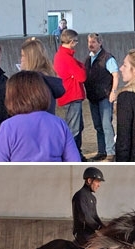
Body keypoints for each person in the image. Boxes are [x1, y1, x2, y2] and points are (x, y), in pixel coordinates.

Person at [0, 70, 80, 162]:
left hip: (18, 175)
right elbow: (73, 162)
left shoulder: (8, 127)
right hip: (54, 175)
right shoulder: (59, 124)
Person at [53, 29, 87, 161]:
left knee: (77, 126)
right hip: (72, 95)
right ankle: (72, 155)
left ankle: (76, 153)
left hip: (69, 96)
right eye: (76, 41)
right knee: (74, 129)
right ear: (72, 42)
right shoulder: (66, 57)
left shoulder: (61, 55)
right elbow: (82, 76)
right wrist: (81, 68)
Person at [84, 33, 118, 162]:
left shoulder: (107, 58)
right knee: (98, 126)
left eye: (93, 42)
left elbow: (115, 75)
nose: (91, 44)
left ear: (100, 43)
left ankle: (110, 152)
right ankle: (102, 151)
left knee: (106, 125)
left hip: (104, 96)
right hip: (93, 96)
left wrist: (113, 91)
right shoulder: (88, 59)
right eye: (89, 42)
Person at [72, 167, 106, 249]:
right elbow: (85, 218)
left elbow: (95, 217)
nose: (98, 185)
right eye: (97, 182)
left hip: (91, 230)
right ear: (89, 180)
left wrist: (106, 228)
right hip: (82, 232)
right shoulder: (80, 195)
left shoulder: (92, 198)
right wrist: (98, 229)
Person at [19, 38, 64, 115]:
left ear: (31, 58)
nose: (21, 59)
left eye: (23, 56)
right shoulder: (48, 77)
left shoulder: (34, 81)